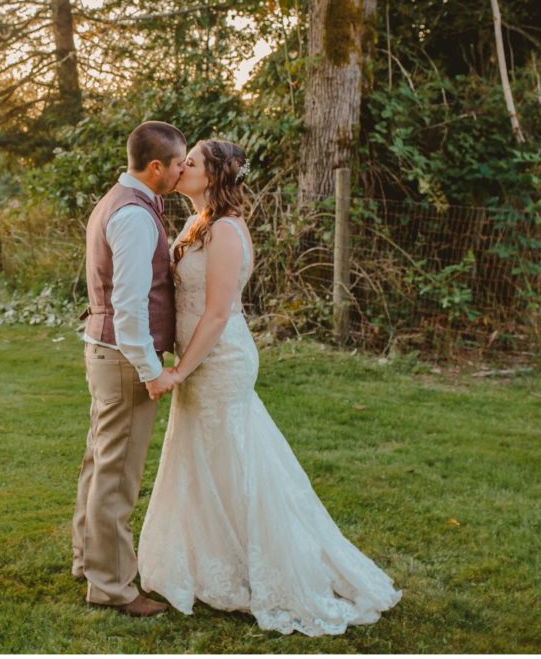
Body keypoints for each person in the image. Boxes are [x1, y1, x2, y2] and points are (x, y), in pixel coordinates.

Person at [137, 139, 402, 636]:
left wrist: (179, 370)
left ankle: (262, 566)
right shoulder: (196, 223)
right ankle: (211, 560)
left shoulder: (227, 232)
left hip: (219, 361)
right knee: (201, 458)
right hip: (198, 361)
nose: (181, 167)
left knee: (234, 459)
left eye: (191, 162)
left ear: (213, 176)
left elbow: (217, 314)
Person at [71, 120, 186, 618]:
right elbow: (130, 305)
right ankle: (113, 586)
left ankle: (89, 560)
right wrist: (149, 369)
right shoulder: (135, 217)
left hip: (105, 352)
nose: (183, 171)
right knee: (117, 474)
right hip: (121, 357)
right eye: (179, 163)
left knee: (100, 461)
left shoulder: (118, 201)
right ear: (156, 166)